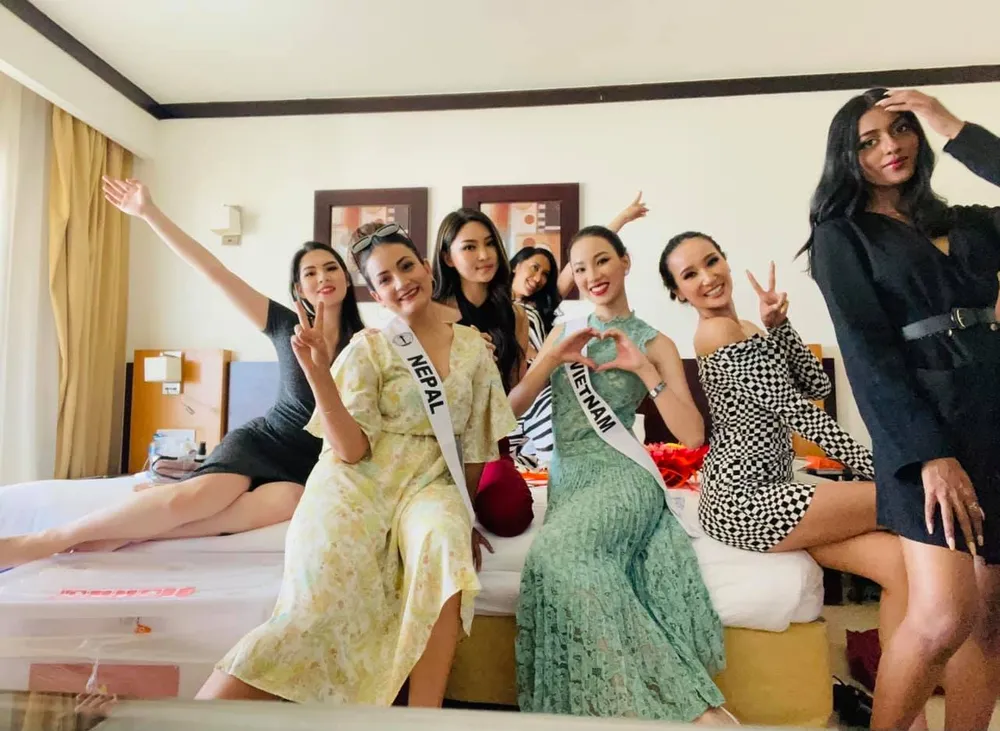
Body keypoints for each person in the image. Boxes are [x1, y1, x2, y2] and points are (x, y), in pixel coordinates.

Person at [197, 222, 516, 707]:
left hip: (428, 482)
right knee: (315, 604)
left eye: (406, 266)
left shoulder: (473, 347)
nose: (400, 282)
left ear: (426, 268)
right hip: (356, 482)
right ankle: (199, 713)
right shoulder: (369, 347)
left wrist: (463, 514)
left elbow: (474, 448)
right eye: (384, 278)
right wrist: (318, 375)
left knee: (445, 542)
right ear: (376, 293)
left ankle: (423, 717)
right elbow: (350, 450)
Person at [0, 179, 363, 567]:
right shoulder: (284, 325)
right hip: (264, 442)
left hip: (307, 462)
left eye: (331, 268)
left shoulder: (366, 345)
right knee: (200, 498)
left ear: (347, 278)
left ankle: (127, 532)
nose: (322, 277)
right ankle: (50, 539)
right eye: (310, 273)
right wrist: (148, 212)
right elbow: (214, 271)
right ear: (299, 288)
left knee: (288, 500)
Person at [658, 233, 926, 725]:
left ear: (726, 260)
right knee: (904, 498)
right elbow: (799, 412)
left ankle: (899, 713)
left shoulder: (743, 327)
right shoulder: (714, 335)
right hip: (743, 499)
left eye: (712, 262)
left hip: (774, 490)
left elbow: (815, 385)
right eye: (690, 275)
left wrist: (778, 325)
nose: (707, 277)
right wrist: (891, 471)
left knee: (899, 566)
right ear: (678, 292)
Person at [804, 88, 1000, 731]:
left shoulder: (968, 221)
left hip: (992, 412)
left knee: (991, 621)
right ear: (847, 156)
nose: (890, 146)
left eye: (902, 129)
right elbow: (868, 355)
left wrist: (952, 125)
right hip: (923, 429)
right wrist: (929, 455)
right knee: (944, 616)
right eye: (868, 140)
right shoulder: (842, 236)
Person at [509, 225, 733, 724]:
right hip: (569, 478)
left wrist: (644, 372)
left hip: (623, 476)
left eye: (603, 260)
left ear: (625, 262)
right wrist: (550, 359)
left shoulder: (657, 342)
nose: (593, 274)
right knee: (565, 561)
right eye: (581, 267)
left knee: (555, 554)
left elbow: (693, 434)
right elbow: (510, 411)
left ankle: (699, 710)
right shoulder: (562, 332)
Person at [508, 194, 650, 469]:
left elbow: (585, 256)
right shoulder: (494, 306)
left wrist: (622, 219)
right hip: (517, 395)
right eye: (534, 268)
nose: (538, 278)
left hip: (546, 390)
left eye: (545, 274)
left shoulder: (540, 307)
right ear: (516, 265)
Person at [432, 209, 534, 536]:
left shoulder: (517, 315)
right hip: (439, 442)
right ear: (447, 257)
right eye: (470, 247)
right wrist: (465, 362)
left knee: (511, 515)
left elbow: (514, 398)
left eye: (490, 243)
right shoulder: (431, 314)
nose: (484, 255)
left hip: (491, 441)